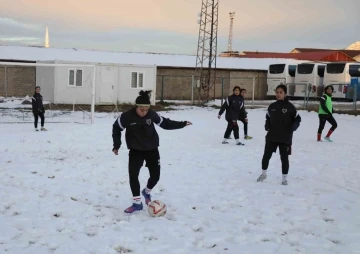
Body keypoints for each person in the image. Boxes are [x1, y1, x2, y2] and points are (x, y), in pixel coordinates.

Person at [112, 90, 192, 214]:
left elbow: (165, 123)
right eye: (141, 110)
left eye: (146, 110)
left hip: (152, 149)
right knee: (133, 176)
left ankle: (147, 191)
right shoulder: (127, 116)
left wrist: (182, 124)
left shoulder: (152, 115)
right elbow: (116, 128)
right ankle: (137, 203)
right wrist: (117, 145)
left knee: (155, 176)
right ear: (137, 107)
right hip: (135, 151)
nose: (144, 112)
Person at [256, 84, 301, 185]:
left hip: (285, 137)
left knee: (284, 158)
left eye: (281, 92)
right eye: (277, 92)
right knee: (266, 155)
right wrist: (267, 124)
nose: (278, 94)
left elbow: (298, 119)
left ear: (285, 94)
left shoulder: (290, 107)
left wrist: (294, 126)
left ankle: (284, 178)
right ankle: (263, 174)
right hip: (272, 136)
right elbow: (267, 117)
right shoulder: (272, 106)